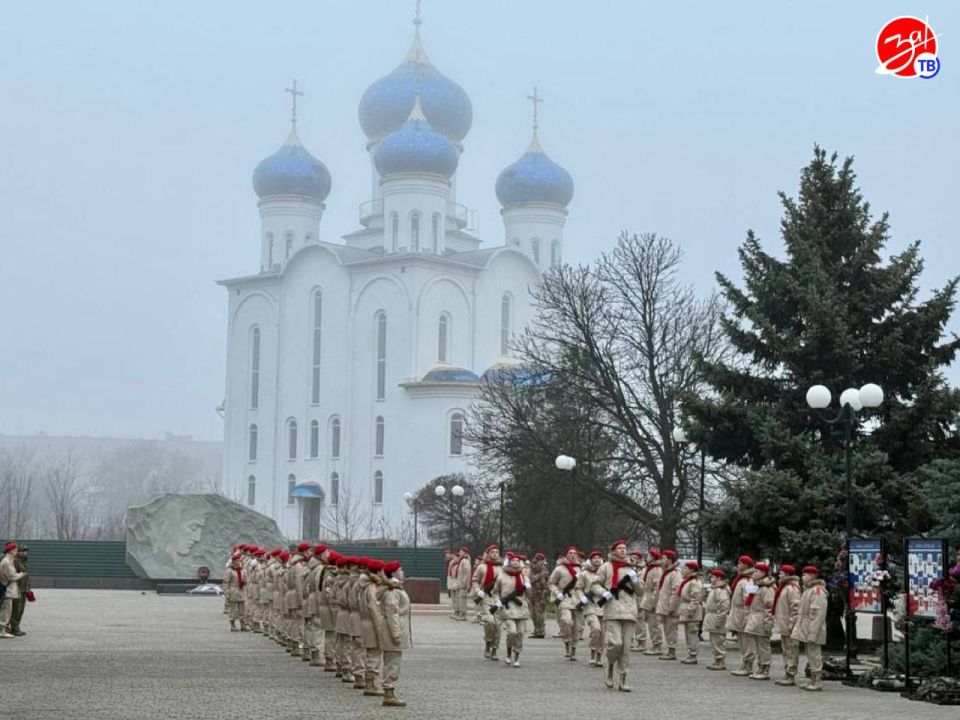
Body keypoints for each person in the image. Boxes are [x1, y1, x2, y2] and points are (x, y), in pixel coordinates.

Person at [590, 540, 638, 691]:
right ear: (614, 550)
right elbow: (594, 584)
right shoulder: (606, 567)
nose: (623, 551)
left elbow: (640, 591)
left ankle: (623, 679)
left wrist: (636, 580)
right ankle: (610, 666)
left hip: (629, 610)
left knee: (625, 648)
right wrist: (603, 592)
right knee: (615, 643)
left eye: (625, 548)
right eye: (620, 548)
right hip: (612, 610)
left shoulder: (631, 567)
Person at [377, 560, 412, 707]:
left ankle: (389, 692)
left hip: (395, 629)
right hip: (393, 632)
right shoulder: (392, 591)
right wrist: (396, 634)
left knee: (393, 662)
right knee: (392, 663)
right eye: (401, 570)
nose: (403, 572)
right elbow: (393, 614)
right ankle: (388, 694)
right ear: (394, 573)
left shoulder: (395, 588)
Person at [791, 565, 828, 691]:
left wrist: (813, 633)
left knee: (814, 654)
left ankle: (817, 681)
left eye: (805, 575)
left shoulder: (817, 591)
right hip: (806, 627)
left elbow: (818, 615)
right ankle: (812, 679)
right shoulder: (808, 590)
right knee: (810, 653)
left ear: (812, 576)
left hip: (813, 628)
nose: (802, 577)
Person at [492, 552, 532, 667]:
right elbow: (496, 591)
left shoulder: (523, 576)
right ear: (509, 562)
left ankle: (517, 657)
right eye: (513, 560)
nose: (515, 562)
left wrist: (528, 586)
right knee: (512, 632)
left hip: (521, 608)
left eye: (517, 561)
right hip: (507, 608)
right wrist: (498, 602)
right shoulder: (502, 575)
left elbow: (529, 595)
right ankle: (509, 654)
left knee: (520, 633)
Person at [739, 562, 775, 680]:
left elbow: (769, 607)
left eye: (757, 571)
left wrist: (768, 623)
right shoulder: (756, 586)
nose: (754, 573)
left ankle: (764, 668)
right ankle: (759, 667)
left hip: (761, 619)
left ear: (764, 573)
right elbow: (749, 604)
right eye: (754, 571)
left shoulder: (767, 588)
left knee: (763, 645)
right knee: (757, 645)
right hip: (754, 619)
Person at [548, 546, 584, 661]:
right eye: (570, 553)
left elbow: (585, 584)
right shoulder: (560, 569)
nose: (573, 555)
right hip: (564, 598)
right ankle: (567, 643)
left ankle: (573, 649)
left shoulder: (581, 569)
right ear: (566, 555)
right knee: (566, 621)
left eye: (575, 553)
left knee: (577, 627)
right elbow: (551, 583)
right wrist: (557, 592)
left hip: (577, 599)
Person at [470, 544, 503, 660]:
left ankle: (494, 649)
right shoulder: (482, 567)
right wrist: (478, 590)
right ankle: (488, 644)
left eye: (497, 552)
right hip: (486, 598)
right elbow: (475, 580)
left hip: (498, 599)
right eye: (492, 552)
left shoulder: (503, 568)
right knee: (490, 622)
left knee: (498, 626)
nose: (494, 554)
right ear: (488, 553)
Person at [358, 558, 385, 696]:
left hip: (365, 622)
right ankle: (372, 684)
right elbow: (375, 610)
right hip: (372, 624)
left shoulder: (364, 585)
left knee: (370, 653)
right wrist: (381, 630)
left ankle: (369, 682)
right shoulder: (372, 587)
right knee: (374, 654)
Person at [772, 564, 802, 686]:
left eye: (782, 572)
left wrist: (792, 623)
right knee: (786, 650)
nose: (779, 574)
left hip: (790, 625)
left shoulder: (792, 588)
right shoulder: (784, 587)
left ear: (788, 574)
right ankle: (787, 672)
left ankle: (791, 674)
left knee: (791, 650)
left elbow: (796, 608)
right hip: (784, 625)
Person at [726, 555, 755, 675]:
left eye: (740, 563)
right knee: (742, 640)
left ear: (746, 565)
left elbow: (749, 600)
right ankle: (745, 663)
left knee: (746, 641)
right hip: (738, 612)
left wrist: (747, 616)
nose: (738, 565)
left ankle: (748, 665)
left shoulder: (749, 581)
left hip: (743, 612)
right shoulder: (741, 579)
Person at [577, 549, 605, 667]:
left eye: (599, 557)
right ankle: (593, 653)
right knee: (596, 629)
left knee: (603, 633)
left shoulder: (605, 571)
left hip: (603, 605)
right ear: (590, 560)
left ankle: (599, 656)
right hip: (590, 605)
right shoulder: (584, 574)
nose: (597, 559)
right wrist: (581, 598)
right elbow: (578, 587)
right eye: (594, 558)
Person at [655, 549, 681, 660]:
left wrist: (671, 607)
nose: (662, 560)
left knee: (671, 629)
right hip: (665, 606)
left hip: (671, 608)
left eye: (664, 558)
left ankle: (672, 651)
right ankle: (670, 650)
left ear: (670, 560)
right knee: (667, 629)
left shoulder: (675, 573)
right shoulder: (666, 573)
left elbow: (676, 591)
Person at [702, 568, 731, 670]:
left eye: (713, 576)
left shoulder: (720, 590)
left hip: (717, 618)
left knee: (718, 641)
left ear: (719, 578)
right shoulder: (716, 589)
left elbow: (724, 606)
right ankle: (717, 660)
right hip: (713, 618)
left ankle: (720, 661)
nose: (711, 578)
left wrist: (718, 620)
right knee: (714, 640)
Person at [677, 560, 704, 664]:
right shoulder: (688, 581)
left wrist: (690, 610)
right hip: (688, 610)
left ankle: (693, 654)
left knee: (692, 633)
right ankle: (690, 653)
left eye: (685, 568)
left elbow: (695, 599)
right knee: (688, 634)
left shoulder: (694, 582)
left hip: (693, 612)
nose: (683, 570)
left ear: (691, 570)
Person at [0, 542, 27, 638]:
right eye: (15, 549)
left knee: (7, 610)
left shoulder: (9, 560)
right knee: (6, 610)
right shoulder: (7, 561)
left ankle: (4, 629)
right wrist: (21, 575)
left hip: (9, 589)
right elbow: (11, 576)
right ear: (10, 550)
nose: (17, 551)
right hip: (7, 589)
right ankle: (2, 631)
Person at [10, 545, 32, 636]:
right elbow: (14, 575)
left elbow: (26, 576)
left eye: (26, 551)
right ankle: (14, 629)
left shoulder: (24, 561)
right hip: (17, 589)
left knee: (21, 610)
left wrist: (28, 588)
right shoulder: (15, 561)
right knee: (16, 610)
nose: (25, 552)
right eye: (23, 551)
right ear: (18, 552)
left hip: (24, 589)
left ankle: (17, 627)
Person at [528, 551, 549, 638]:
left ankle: (541, 632)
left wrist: (543, 598)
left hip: (540, 595)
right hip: (532, 594)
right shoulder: (532, 569)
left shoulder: (544, 572)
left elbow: (547, 586)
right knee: (533, 614)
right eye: (535, 559)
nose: (535, 561)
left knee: (539, 614)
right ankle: (536, 630)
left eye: (538, 559)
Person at [223, 552, 247, 631]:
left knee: (242, 609)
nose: (238, 562)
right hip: (233, 590)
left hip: (241, 591)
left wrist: (245, 581)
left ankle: (243, 624)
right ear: (233, 561)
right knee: (233, 609)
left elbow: (245, 579)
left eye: (239, 560)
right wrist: (227, 592)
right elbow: (226, 582)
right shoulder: (230, 571)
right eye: (237, 560)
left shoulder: (242, 570)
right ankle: (232, 624)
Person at [628, 549, 647, 651]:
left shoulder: (642, 570)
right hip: (632, 599)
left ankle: (641, 642)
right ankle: (631, 641)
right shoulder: (631, 568)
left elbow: (641, 586)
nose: (633, 560)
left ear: (640, 559)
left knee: (640, 621)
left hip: (640, 598)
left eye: (635, 558)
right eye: (632, 558)